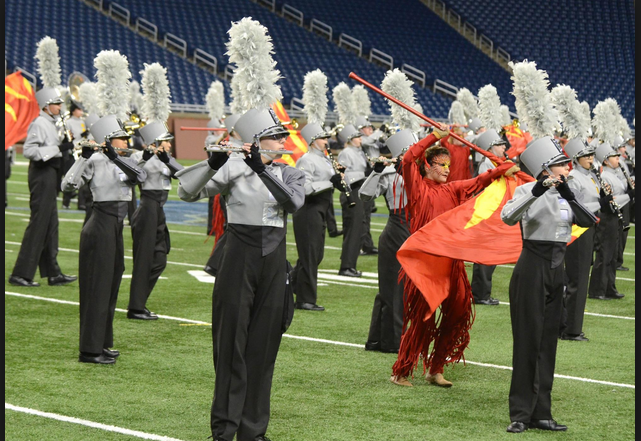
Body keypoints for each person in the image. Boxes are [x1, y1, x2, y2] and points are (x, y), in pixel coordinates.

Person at [176, 108, 305, 441]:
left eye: (282, 136)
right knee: (230, 345)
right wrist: (213, 164)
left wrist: (261, 169)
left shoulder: (290, 172)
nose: (284, 141)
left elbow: (293, 204)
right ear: (258, 141)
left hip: (274, 262)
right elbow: (186, 192)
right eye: (277, 136)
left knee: (263, 350)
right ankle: (224, 429)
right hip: (237, 258)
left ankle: (253, 431)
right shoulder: (232, 167)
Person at [390, 124, 519, 388]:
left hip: (453, 260)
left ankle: (435, 368)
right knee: (423, 317)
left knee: (459, 311)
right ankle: (401, 371)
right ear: (427, 166)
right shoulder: (417, 186)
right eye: (440, 165)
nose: (447, 169)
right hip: (427, 261)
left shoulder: (452, 189)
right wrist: (432, 138)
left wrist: (501, 169)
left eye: (448, 165)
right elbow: (407, 159)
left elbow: (479, 181)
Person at [501, 137, 597, 433]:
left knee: (548, 344)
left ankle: (542, 412)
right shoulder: (524, 189)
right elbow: (507, 217)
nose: (565, 169)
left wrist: (568, 195)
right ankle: (520, 413)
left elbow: (589, 221)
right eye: (559, 165)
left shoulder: (569, 190)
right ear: (545, 169)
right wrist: (535, 190)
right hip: (532, 266)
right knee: (528, 341)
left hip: (558, 267)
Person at [61, 115, 147, 364]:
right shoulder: (94, 160)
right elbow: (67, 186)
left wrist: (114, 156)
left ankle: (103, 342)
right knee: (97, 289)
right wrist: (84, 157)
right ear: (110, 140)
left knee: (110, 287)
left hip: (115, 228)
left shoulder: (126, 160)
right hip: (99, 226)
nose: (127, 141)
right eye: (122, 138)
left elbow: (139, 178)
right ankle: (89, 349)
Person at [8, 88, 77, 288]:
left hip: (51, 173)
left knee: (51, 224)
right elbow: (29, 150)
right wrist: (59, 148)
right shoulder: (39, 123)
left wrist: (66, 143)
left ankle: (53, 272)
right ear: (46, 106)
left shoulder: (52, 123)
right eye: (57, 104)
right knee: (39, 224)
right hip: (41, 173)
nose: (60, 107)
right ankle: (20, 274)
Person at [361, 129, 414, 353]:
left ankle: (378, 339)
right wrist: (376, 172)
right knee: (392, 289)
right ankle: (391, 342)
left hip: (417, 229)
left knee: (407, 289)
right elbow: (364, 195)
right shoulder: (390, 174)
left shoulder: (427, 171)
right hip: (397, 229)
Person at [127, 122, 183, 320]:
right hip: (147, 208)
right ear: (156, 142)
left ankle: (139, 301)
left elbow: (182, 174)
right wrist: (146, 156)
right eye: (167, 141)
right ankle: (135, 307)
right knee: (143, 261)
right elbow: (132, 175)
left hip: (159, 210)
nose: (169, 145)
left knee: (159, 259)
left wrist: (167, 159)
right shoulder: (138, 156)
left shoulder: (167, 157)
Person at [292, 122, 344, 311]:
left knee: (316, 255)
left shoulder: (325, 159)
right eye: (323, 138)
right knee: (310, 256)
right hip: (308, 210)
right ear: (313, 141)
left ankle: (288, 283)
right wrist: (329, 183)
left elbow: (328, 181)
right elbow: (305, 188)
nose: (326, 141)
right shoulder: (306, 160)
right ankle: (305, 299)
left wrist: (339, 178)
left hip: (320, 208)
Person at [559, 139, 603, 341]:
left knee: (579, 278)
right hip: (579, 230)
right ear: (576, 159)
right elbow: (575, 206)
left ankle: (569, 325)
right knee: (577, 278)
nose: (590, 158)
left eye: (591, 155)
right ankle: (571, 329)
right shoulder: (574, 177)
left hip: (589, 227)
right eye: (586, 156)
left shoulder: (589, 175)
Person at [588, 142, 631, 301]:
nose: (618, 158)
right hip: (607, 217)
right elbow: (610, 199)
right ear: (605, 161)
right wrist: (630, 196)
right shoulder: (604, 176)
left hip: (615, 215)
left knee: (613, 255)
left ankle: (609, 287)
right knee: (605, 254)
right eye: (614, 156)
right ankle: (597, 289)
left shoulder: (614, 174)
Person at [470, 129, 508, 306]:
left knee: (490, 254)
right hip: (488, 213)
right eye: (500, 145)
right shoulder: (488, 165)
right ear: (491, 147)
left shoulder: (495, 162)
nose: (503, 147)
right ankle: (480, 294)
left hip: (494, 211)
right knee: (486, 254)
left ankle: (482, 292)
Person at [336, 124, 368, 277]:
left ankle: (350, 264)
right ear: (350, 139)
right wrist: (363, 175)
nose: (361, 139)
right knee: (353, 231)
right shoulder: (346, 153)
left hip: (359, 191)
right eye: (357, 137)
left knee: (359, 230)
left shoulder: (359, 152)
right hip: (351, 193)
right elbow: (344, 177)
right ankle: (346, 266)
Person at [355, 115, 379, 255]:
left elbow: (384, 145)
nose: (370, 129)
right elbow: (370, 140)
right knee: (361, 216)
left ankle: (367, 244)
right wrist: (379, 132)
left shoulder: (372, 140)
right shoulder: (363, 141)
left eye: (371, 127)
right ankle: (360, 244)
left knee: (367, 214)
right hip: (362, 180)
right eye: (367, 127)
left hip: (372, 178)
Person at [612, 136, 633, 271]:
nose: (625, 149)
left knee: (623, 235)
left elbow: (624, 179)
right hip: (619, 201)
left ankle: (618, 260)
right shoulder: (615, 165)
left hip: (625, 200)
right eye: (622, 146)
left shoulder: (622, 162)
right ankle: (616, 261)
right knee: (618, 235)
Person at [61, 102, 85, 209]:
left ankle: (82, 203)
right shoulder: (68, 122)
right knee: (70, 177)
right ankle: (66, 202)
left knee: (82, 178)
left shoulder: (83, 122)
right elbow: (69, 137)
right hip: (72, 152)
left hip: (82, 153)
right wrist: (81, 135)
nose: (81, 112)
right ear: (74, 111)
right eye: (79, 109)